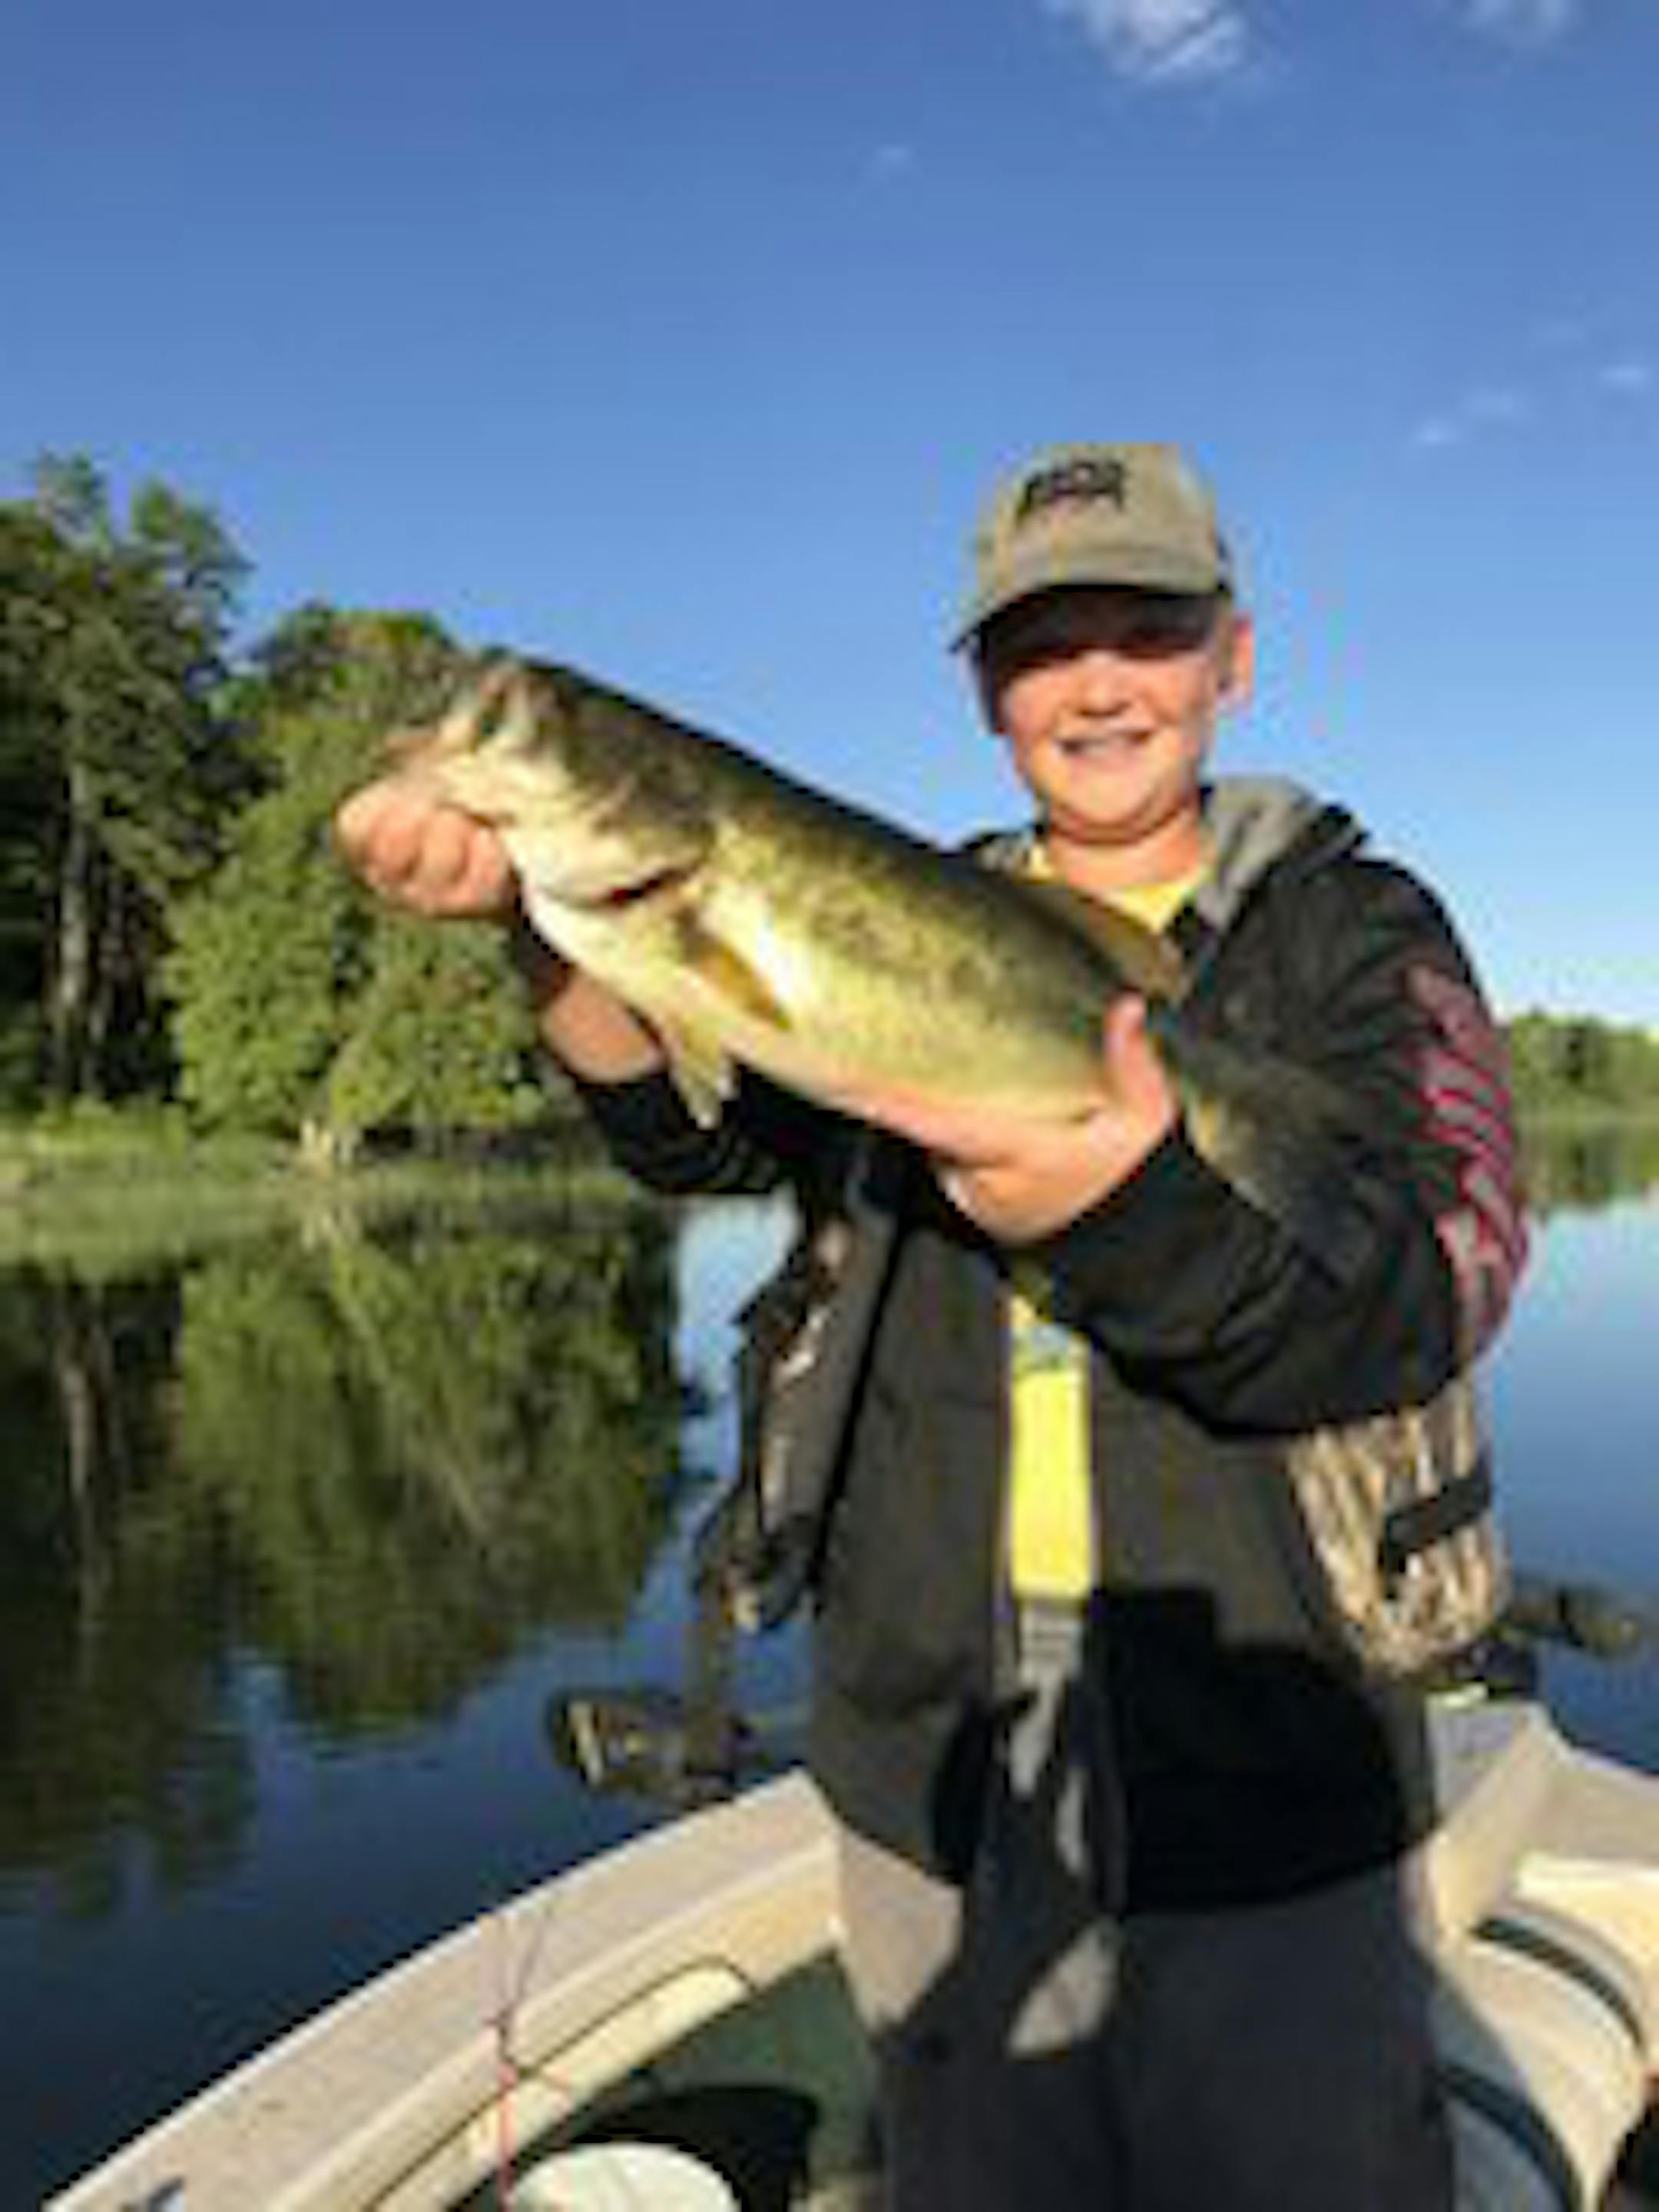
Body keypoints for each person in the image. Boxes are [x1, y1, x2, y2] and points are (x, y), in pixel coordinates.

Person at [336, 442, 1528, 2209]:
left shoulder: (1354, 934)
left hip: (1266, 1754)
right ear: (984, 687)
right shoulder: (902, 891)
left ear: (1235, 658)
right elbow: (698, 1128)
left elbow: (1420, 1300)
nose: (1101, 680)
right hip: (935, 1750)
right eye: (1047, 643)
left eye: (1151, 626)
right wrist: (538, 930)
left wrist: (1126, 1214)